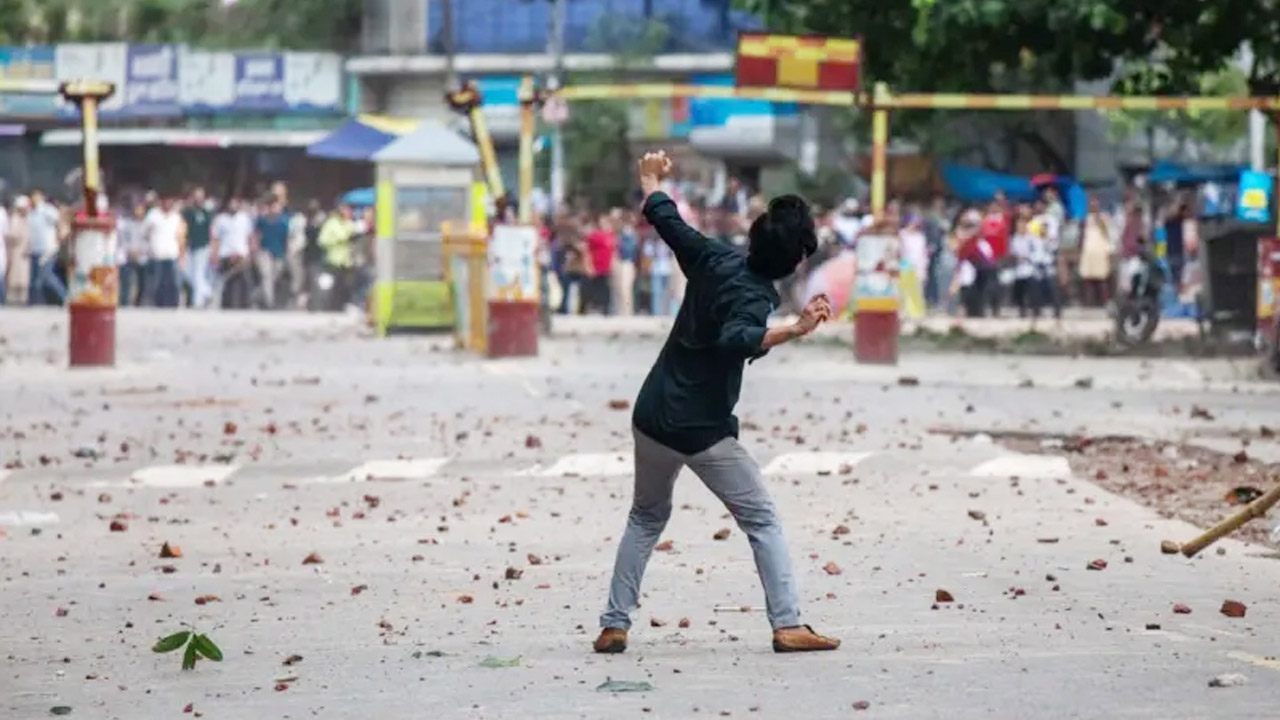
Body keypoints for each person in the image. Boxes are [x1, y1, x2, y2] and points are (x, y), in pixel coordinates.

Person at [594, 150, 840, 656]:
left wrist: (649, 179)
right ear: (794, 261)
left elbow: (665, 218)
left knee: (645, 517)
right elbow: (737, 337)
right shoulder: (756, 298)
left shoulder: (711, 256)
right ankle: (788, 623)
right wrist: (795, 328)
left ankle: (614, 624)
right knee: (763, 520)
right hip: (701, 429)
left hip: (653, 415)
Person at [143, 197, 186, 308]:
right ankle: (156, 304)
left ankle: (172, 305)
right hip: (157, 253)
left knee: (172, 283)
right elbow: (144, 233)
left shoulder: (176, 217)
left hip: (172, 253)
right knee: (156, 283)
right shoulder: (153, 215)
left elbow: (181, 236)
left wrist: (182, 255)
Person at [27, 189, 66, 306]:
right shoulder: (31, 213)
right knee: (35, 279)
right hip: (35, 249)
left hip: (47, 249)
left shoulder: (47, 210)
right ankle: (35, 302)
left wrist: (60, 237)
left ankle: (64, 296)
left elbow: (59, 222)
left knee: (47, 276)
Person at [253, 198, 291, 309]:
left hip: (279, 252)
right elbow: (256, 234)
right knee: (267, 275)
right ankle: (270, 303)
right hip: (264, 251)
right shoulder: (262, 220)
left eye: (278, 207)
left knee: (274, 277)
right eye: (274, 207)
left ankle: (256, 296)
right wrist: (255, 249)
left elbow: (286, 239)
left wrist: (286, 253)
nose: (276, 209)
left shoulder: (284, 222)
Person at [182, 187, 215, 308]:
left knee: (198, 273)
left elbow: (211, 230)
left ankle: (198, 302)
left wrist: (212, 247)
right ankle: (207, 292)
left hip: (203, 246)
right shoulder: (188, 212)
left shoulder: (207, 212)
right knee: (187, 273)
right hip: (190, 246)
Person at [5, 196, 30, 305]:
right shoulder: (15, 218)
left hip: (23, 251)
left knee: (22, 277)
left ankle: (21, 299)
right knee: (14, 275)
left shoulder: (26, 219)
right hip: (15, 251)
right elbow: (13, 234)